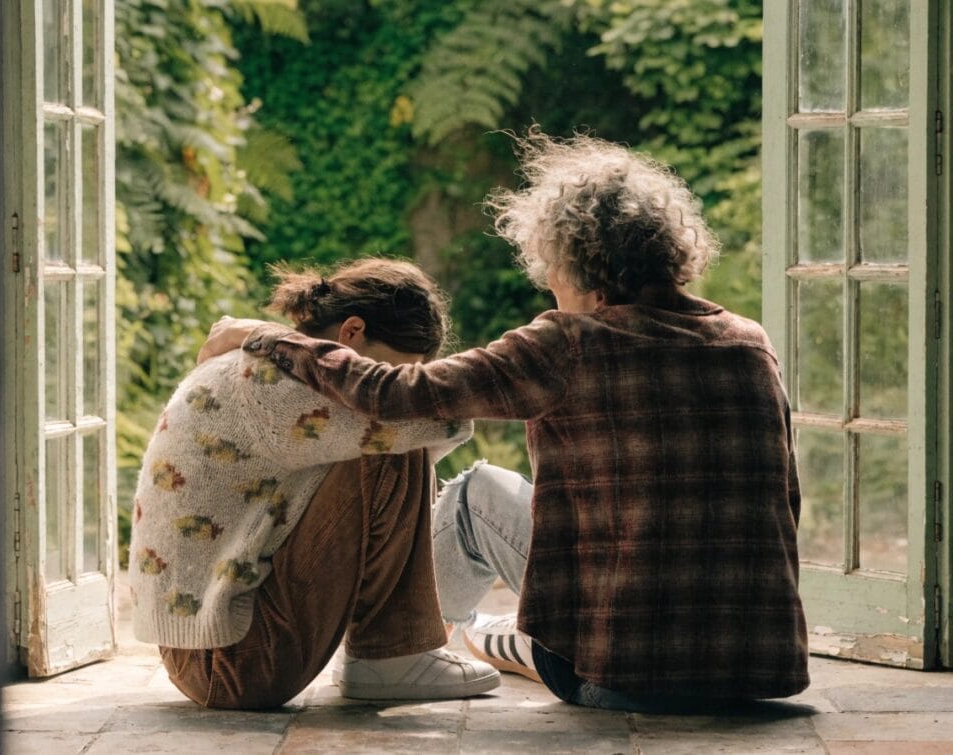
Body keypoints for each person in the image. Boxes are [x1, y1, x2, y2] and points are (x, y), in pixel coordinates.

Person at [203, 130, 810, 711]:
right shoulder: (749, 341)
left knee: (473, 495)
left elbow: (391, 393)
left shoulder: (569, 341)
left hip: (621, 677)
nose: (549, 287)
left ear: (581, 271)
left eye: (552, 271)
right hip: (759, 669)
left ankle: (403, 655)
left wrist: (272, 338)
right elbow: (786, 500)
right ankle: (476, 638)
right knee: (518, 612)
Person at [129, 258, 500, 710]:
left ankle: (387, 657)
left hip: (209, 653)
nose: (383, 386)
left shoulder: (263, 362)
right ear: (351, 333)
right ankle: (389, 658)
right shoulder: (275, 382)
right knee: (390, 441)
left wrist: (267, 334)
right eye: (386, 374)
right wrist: (387, 392)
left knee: (386, 439)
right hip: (234, 663)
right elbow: (445, 420)